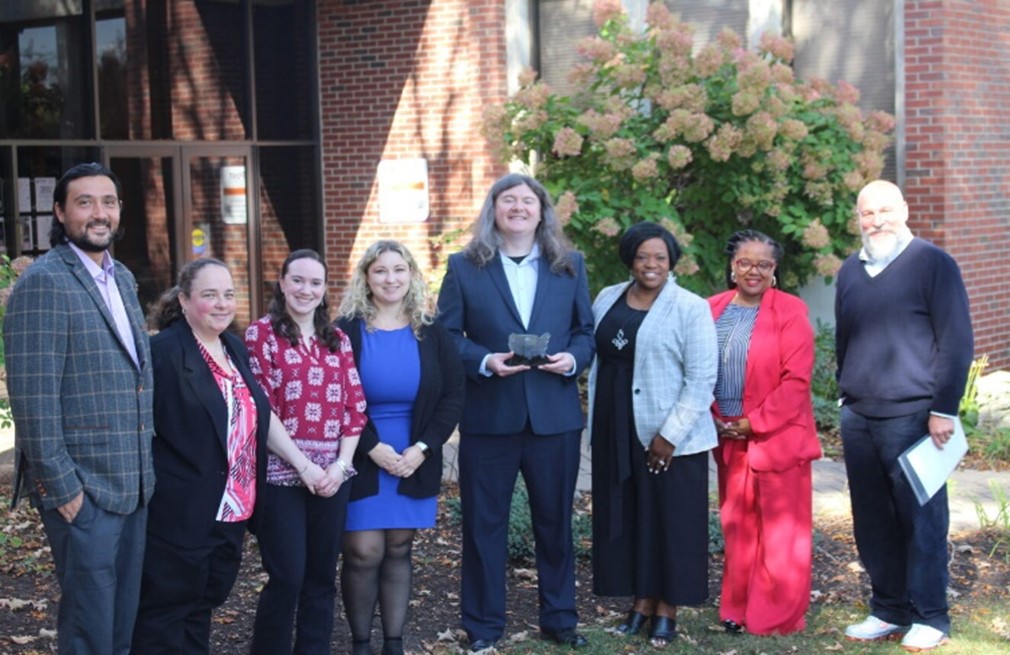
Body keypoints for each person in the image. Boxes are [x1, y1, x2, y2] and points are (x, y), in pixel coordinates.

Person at [132, 258, 324, 654]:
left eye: (228, 294)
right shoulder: (164, 353)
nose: (221, 304)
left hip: (232, 511)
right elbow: (141, 429)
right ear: (184, 300)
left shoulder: (232, 347)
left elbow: (255, 415)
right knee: (164, 616)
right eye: (209, 295)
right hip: (181, 513)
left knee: (202, 607)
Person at [437, 173, 595, 652]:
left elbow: (585, 331)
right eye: (510, 201)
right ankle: (483, 627)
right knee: (484, 525)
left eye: (528, 201)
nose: (519, 208)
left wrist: (572, 359)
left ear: (543, 212)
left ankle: (560, 618)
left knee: (555, 523)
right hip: (490, 418)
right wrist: (483, 361)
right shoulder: (465, 267)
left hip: (554, 418)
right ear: (494, 210)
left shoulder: (569, 265)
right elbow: (446, 336)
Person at [3, 162, 154, 655]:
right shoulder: (45, 283)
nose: (98, 213)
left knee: (121, 624)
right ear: (60, 212)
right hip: (82, 490)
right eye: (84, 202)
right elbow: (32, 396)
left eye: (108, 202)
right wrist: (62, 487)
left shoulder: (123, 278)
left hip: (131, 485)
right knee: (90, 630)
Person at [836, 180, 973, 652]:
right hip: (859, 417)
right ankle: (887, 609)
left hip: (915, 417)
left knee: (921, 520)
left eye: (885, 211)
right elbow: (845, 339)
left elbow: (956, 341)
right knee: (872, 520)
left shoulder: (933, 264)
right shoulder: (850, 271)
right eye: (867, 213)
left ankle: (930, 615)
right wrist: (843, 397)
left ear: (905, 210)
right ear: (857, 219)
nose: (876, 221)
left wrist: (943, 409)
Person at [587, 221, 718, 648]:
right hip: (616, 427)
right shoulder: (608, 297)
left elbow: (701, 379)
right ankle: (641, 602)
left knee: (672, 522)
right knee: (632, 518)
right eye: (643, 256)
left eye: (660, 257)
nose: (651, 264)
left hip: (670, 436)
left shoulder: (689, 307)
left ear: (671, 262)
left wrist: (670, 436)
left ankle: (668, 609)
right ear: (630, 258)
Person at [336, 240, 465, 655]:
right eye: (380, 271)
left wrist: (423, 448)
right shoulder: (345, 331)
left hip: (413, 457)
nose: (390, 279)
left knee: (398, 547)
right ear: (366, 278)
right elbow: (334, 396)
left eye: (398, 270)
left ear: (411, 275)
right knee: (362, 549)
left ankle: (393, 643)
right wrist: (372, 447)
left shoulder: (431, 331)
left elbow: (453, 395)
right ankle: (360, 644)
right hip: (359, 453)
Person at [245, 249, 367, 654]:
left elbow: (355, 407)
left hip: (333, 477)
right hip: (282, 475)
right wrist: (303, 466)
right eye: (298, 280)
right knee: (287, 576)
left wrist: (341, 464)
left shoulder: (339, 339)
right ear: (282, 282)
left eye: (315, 283)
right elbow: (261, 409)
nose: (306, 289)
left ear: (325, 289)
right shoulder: (260, 335)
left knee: (320, 576)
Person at [707, 230, 822, 635]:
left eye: (763, 264)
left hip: (777, 438)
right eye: (744, 262)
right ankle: (736, 608)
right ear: (732, 266)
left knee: (780, 533)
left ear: (775, 270)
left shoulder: (790, 311)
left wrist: (752, 423)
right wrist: (717, 419)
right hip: (726, 436)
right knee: (738, 527)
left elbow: (796, 381)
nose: (752, 271)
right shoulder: (712, 308)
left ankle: (776, 614)